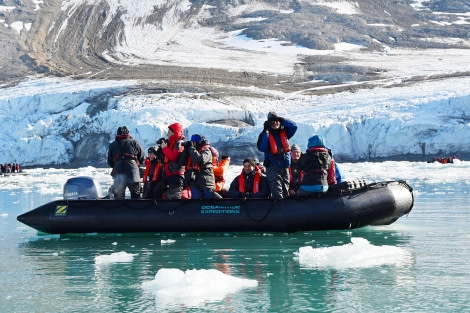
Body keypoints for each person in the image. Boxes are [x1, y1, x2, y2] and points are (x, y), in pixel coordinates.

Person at [257, 111, 297, 199]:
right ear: (268, 123)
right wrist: (265, 132)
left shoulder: (285, 132)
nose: (275, 123)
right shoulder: (266, 134)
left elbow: (294, 126)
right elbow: (261, 147)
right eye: (272, 121)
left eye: (277, 121)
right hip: (273, 166)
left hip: (285, 166)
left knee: (286, 192)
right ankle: (278, 209)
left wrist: (283, 120)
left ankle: (285, 209)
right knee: (277, 194)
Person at [107, 126, 145, 199]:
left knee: (119, 198)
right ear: (128, 133)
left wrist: (118, 164)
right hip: (133, 173)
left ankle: (121, 210)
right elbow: (142, 158)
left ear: (117, 134)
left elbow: (110, 162)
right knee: (136, 197)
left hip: (118, 173)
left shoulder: (112, 145)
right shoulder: (135, 142)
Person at [183, 134, 220, 199]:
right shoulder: (192, 151)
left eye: (193, 142)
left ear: (198, 143)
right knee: (196, 204)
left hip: (206, 183)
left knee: (209, 203)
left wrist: (191, 148)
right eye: (192, 142)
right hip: (194, 182)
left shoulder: (206, 150)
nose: (192, 144)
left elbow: (201, 160)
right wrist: (186, 150)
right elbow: (181, 162)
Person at [160, 123, 186, 199]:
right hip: (170, 173)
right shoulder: (171, 143)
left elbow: (174, 157)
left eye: (169, 132)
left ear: (174, 132)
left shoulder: (179, 143)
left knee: (175, 195)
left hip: (176, 174)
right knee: (167, 194)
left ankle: (176, 210)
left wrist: (164, 148)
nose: (167, 134)